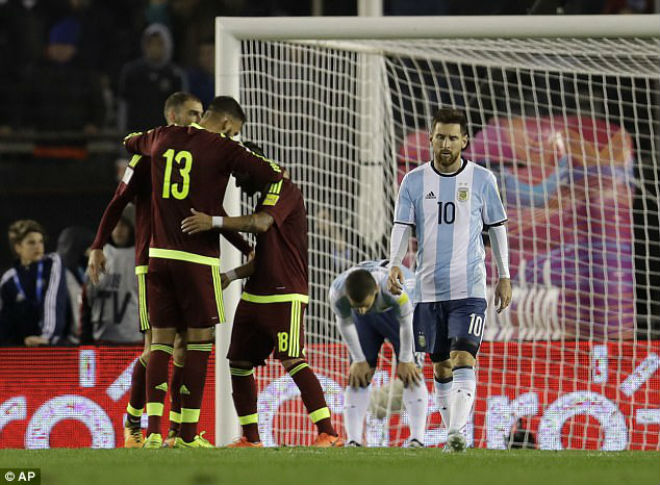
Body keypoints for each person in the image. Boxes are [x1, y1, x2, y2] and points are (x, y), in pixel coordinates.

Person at [88, 93, 252, 448]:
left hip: (180, 257)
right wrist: (98, 244)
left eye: (200, 114)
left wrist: (244, 246)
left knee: (181, 348)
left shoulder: (190, 155)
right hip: (152, 258)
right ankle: (137, 423)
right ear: (174, 116)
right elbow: (118, 201)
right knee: (157, 346)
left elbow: (212, 212)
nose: (196, 121)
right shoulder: (149, 155)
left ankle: (177, 431)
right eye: (191, 114)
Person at [123, 99, 283, 449]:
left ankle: (151, 433)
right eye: (236, 131)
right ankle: (187, 436)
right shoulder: (222, 147)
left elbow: (130, 140)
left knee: (160, 345)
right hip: (197, 259)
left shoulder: (162, 136)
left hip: (157, 256)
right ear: (227, 124)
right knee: (198, 343)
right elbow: (274, 173)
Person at [181, 143, 343, 448]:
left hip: (285, 294)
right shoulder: (265, 196)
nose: (238, 183)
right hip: (255, 293)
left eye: (240, 175)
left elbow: (260, 223)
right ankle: (251, 439)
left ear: (251, 168)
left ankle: (328, 432)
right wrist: (231, 276)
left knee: (292, 358)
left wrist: (213, 222)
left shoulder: (284, 188)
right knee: (239, 363)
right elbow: (264, 256)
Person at [387, 108, 512, 452]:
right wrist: (395, 263)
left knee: (463, 357)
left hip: (469, 287)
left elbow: (497, 228)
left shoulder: (482, 179)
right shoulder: (412, 181)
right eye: (440, 137)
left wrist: (504, 275)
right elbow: (402, 227)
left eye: (452, 138)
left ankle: (456, 433)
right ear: (430, 138)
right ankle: (452, 436)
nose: (445, 144)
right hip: (426, 290)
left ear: (464, 141)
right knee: (440, 365)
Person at [329, 260, 428, 447]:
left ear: (375, 290)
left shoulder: (394, 289)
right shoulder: (338, 292)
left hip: (403, 314)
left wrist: (406, 359)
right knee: (358, 375)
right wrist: (359, 360)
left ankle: (417, 440)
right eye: (357, 306)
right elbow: (344, 322)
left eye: (365, 304)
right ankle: (354, 441)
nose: (363, 309)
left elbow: (407, 322)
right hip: (367, 321)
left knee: (412, 372)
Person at [0, 220, 68, 347]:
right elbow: (4, 320)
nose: (38, 247)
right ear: (18, 247)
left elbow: (53, 300)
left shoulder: (52, 262)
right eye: (31, 242)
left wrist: (46, 336)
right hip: (22, 352)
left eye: (41, 241)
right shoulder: (8, 280)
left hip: (51, 346)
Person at [82, 206, 142, 344]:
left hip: (132, 337)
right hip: (101, 337)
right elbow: (87, 298)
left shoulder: (141, 257)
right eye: (115, 225)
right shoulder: (99, 254)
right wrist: (85, 335)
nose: (118, 231)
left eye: (124, 226)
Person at [117, 23, 187, 132]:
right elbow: (124, 106)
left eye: (159, 44)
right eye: (151, 44)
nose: (154, 48)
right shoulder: (132, 72)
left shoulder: (175, 74)